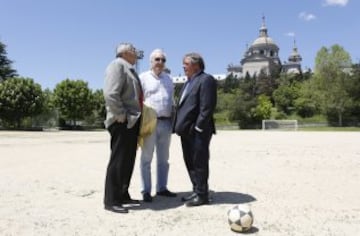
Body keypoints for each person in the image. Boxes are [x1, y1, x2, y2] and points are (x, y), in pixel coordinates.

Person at [173, 52, 217, 207]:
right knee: (190, 162)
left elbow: (207, 107)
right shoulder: (188, 82)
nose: (183, 66)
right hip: (186, 132)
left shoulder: (206, 80)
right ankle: (196, 190)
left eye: (186, 63)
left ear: (196, 65)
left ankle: (202, 195)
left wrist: (198, 127)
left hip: (198, 132)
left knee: (199, 162)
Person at [103, 42, 143, 213]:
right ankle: (111, 200)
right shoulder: (117, 65)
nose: (136, 52)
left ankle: (122, 193)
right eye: (133, 50)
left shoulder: (129, 68)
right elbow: (110, 93)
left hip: (132, 121)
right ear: (125, 52)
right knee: (118, 160)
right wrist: (120, 114)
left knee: (128, 160)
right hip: (122, 121)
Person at [139, 49, 177, 202]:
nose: (160, 62)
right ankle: (146, 191)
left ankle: (161, 188)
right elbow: (138, 100)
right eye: (157, 59)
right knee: (146, 158)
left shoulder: (169, 79)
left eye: (162, 60)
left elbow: (172, 101)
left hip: (166, 122)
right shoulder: (142, 78)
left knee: (164, 159)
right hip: (149, 122)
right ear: (151, 61)